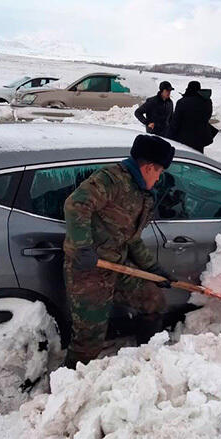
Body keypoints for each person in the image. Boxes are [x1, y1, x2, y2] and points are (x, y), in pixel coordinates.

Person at [62, 134, 177, 368]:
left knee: (153, 300)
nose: (159, 178)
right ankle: (67, 389)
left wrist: (153, 269)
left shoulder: (140, 192)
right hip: (90, 271)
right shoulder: (111, 181)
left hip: (117, 266)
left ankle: (146, 359)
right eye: (159, 172)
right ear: (148, 167)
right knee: (89, 339)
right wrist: (83, 247)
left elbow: (131, 238)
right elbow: (76, 204)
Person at [168, 80, 214, 153]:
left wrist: (169, 137)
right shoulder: (207, 102)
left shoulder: (182, 102)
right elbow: (208, 116)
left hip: (184, 139)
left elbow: (176, 122)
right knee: (198, 159)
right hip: (200, 138)